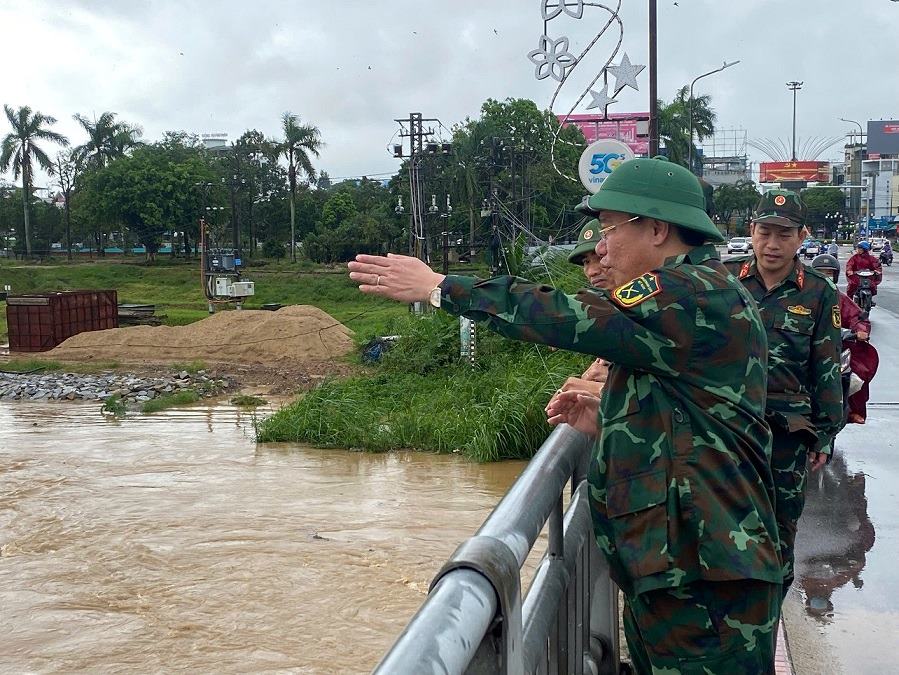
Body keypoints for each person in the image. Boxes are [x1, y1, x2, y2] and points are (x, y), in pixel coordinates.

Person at [350, 156, 782, 673]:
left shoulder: (689, 294)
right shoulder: (690, 299)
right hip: (686, 572)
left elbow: (568, 316)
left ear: (659, 229)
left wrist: (441, 286)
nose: (600, 248)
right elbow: (695, 410)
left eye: (609, 230)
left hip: (707, 583)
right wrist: (617, 418)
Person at [724, 190, 843, 600]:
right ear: (751, 231)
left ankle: (769, 611)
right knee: (724, 522)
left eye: (784, 235)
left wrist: (825, 434)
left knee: (779, 527)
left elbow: (826, 366)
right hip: (726, 428)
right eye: (764, 232)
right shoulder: (724, 280)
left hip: (786, 436)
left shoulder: (818, 292)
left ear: (801, 237)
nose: (772, 244)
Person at [811, 253, 879, 424]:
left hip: (833, 349)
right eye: (821, 272)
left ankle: (853, 411)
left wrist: (861, 331)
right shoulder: (802, 296)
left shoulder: (837, 297)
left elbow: (857, 317)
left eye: (829, 273)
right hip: (805, 348)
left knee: (858, 372)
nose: (825, 276)